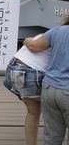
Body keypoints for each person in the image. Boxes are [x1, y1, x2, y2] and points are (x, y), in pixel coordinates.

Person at [24, 17, 69, 145]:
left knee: (51, 137)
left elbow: (33, 45)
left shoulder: (57, 31)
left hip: (49, 88)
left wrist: (27, 40)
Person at [4, 34, 51, 145]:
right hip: (31, 71)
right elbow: (34, 46)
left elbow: (31, 43)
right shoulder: (61, 34)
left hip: (13, 67)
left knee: (33, 112)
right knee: (55, 109)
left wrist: (27, 40)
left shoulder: (49, 32)